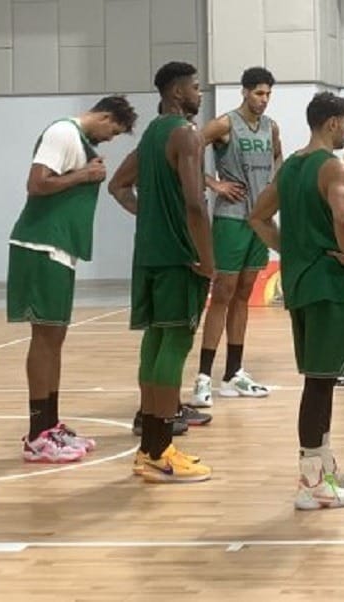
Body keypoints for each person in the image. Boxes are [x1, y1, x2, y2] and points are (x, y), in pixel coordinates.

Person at [248, 92, 344, 510]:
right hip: (327, 282)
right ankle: (310, 482)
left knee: (324, 377)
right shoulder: (332, 167)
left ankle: (325, 465)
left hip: (300, 281)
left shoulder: (291, 167)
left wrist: (289, 250)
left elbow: (257, 217)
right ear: (332, 122)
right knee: (318, 382)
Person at [7, 96, 137, 462]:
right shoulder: (63, 133)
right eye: (112, 131)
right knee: (45, 335)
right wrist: (84, 175)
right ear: (105, 115)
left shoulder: (79, 141)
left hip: (60, 248)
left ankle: (51, 425)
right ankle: (37, 436)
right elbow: (36, 183)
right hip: (40, 245)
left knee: (56, 337)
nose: (110, 140)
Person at [108, 62, 216, 483]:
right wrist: (207, 258)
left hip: (149, 255)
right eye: (194, 87)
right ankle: (160, 450)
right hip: (179, 258)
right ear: (175, 92)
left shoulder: (152, 134)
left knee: (154, 345)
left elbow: (118, 185)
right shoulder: (186, 134)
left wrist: (148, 216)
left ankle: (148, 449)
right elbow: (195, 202)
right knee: (175, 345)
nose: (199, 94)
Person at [189, 66, 282, 408]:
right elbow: (188, 148)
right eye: (259, 93)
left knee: (244, 293)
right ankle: (202, 377)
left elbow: (278, 160)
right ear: (244, 92)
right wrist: (213, 183)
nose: (264, 99)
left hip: (260, 221)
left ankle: (233, 373)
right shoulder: (225, 124)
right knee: (223, 293)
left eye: (268, 93)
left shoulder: (271, 128)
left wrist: (276, 194)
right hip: (230, 219)